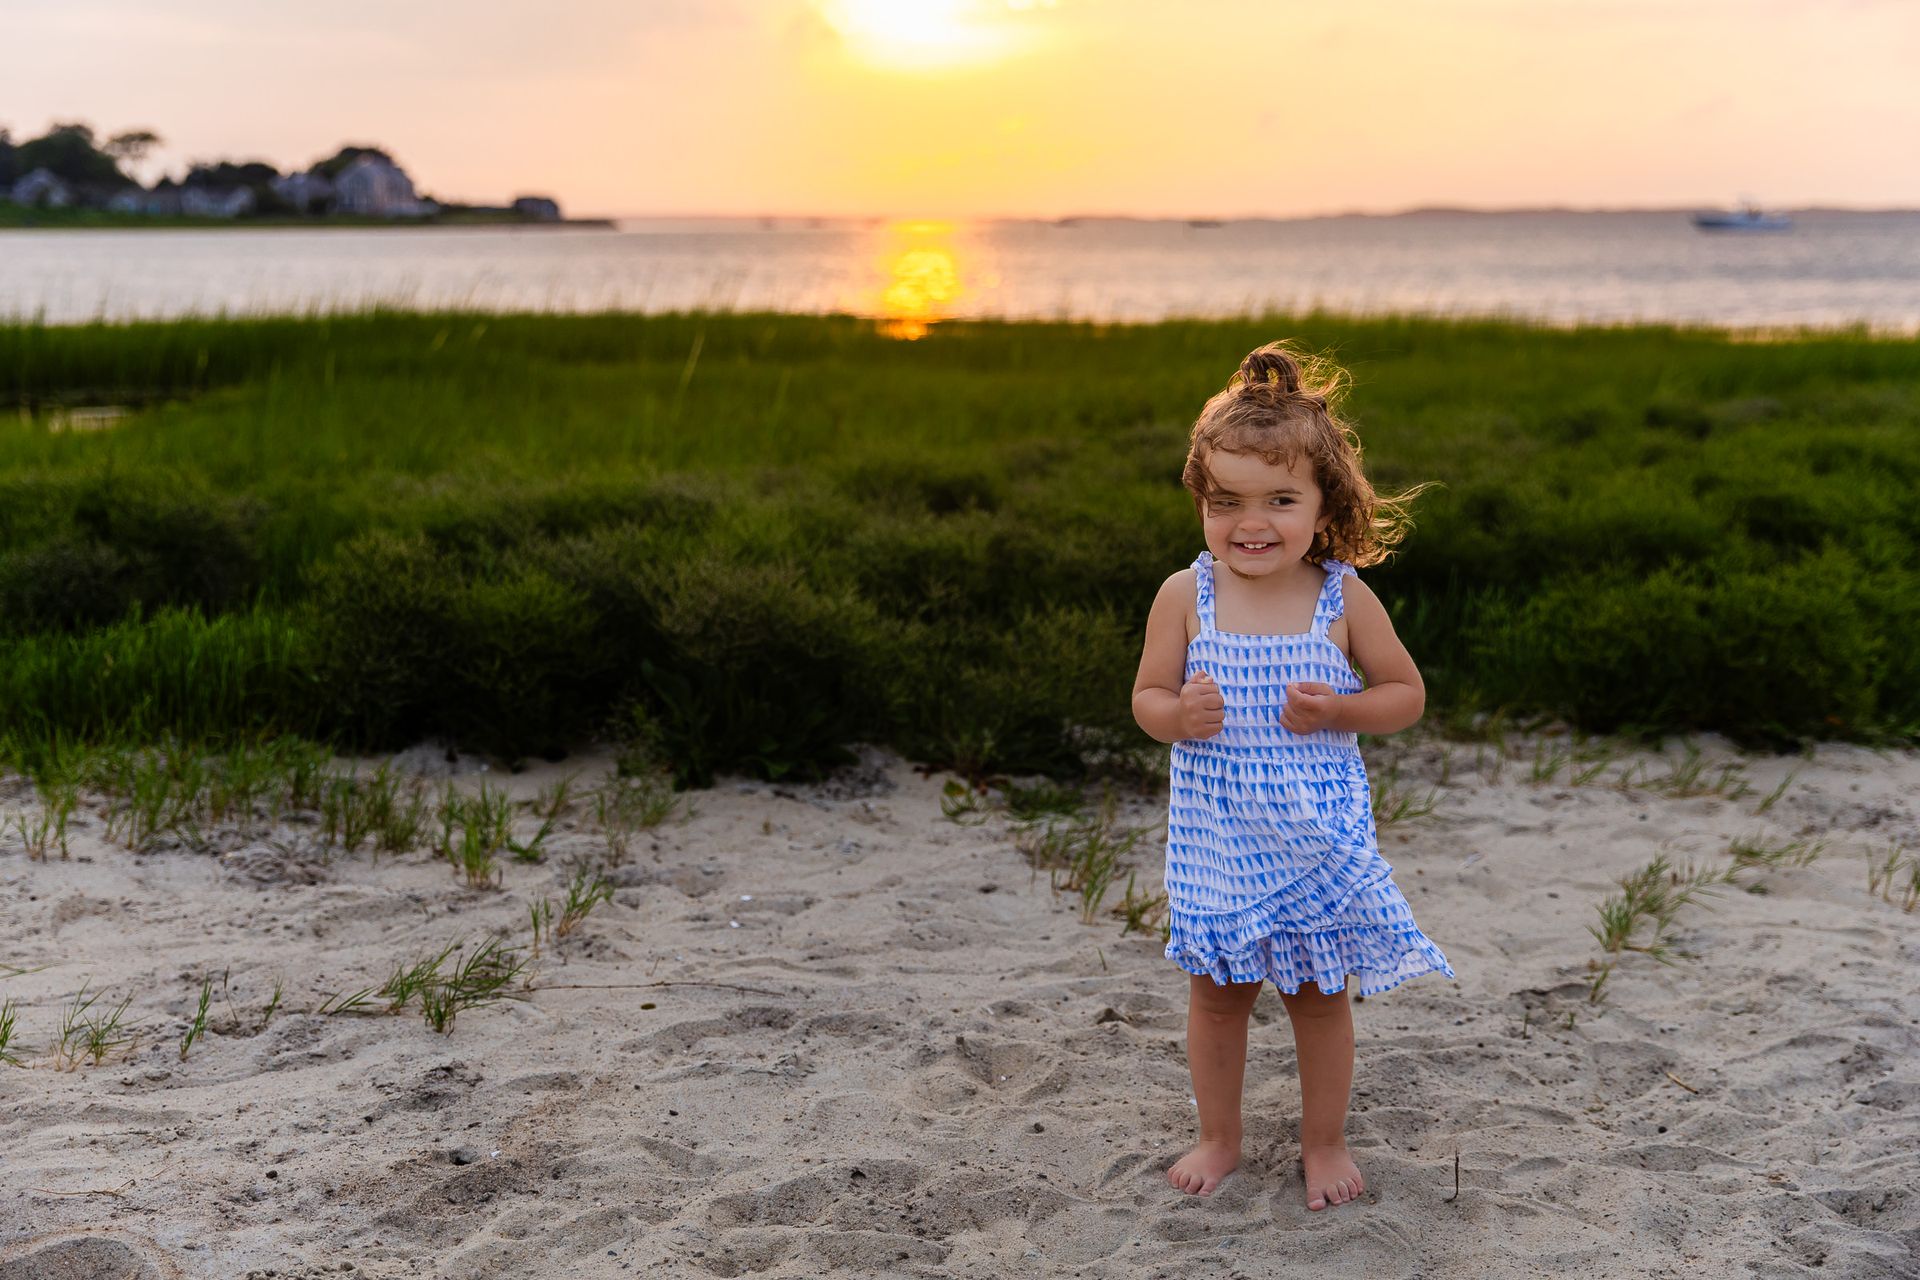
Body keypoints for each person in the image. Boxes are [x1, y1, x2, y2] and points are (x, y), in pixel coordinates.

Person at [1130, 340, 1454, 1210]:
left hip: (1314, 842)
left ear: (1323, 503)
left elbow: (1406, 695)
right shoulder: (1184, 596)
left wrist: (1341, 709)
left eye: (1281, 499)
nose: (1253, 522)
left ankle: (1324, 1142)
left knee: (1318, 1002)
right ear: (1201, 499)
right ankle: (1220, 1136)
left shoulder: (1341, 598)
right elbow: (1147, 701)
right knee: (1218, 999)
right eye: (1227, 500)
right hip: (1219, 842)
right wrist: (1178, 716)